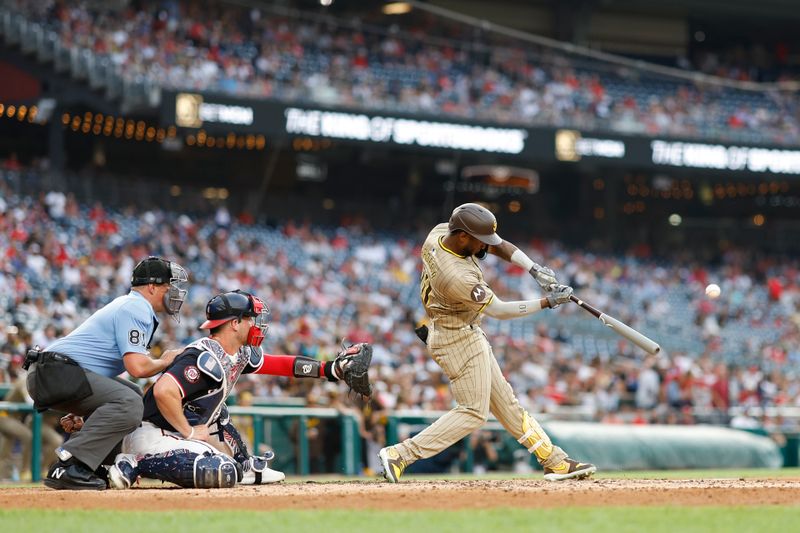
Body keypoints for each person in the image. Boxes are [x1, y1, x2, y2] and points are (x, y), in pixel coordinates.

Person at [379, 203, 596, 482]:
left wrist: (533, 269)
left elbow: (498, 245)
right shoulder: (455, 275)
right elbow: (500, 311)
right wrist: (548, 302)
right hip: (456, 337)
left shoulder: (441, 232)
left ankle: (554, 461)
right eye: (480, 240)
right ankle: (401, 454)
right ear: (463, 237)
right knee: (473, 412)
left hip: (460, 331)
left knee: (507, 405)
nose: (487, 246)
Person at [104, 289, 372, 489]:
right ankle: (134, 463)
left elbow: (278, 364)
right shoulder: (203, 356)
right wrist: (187, 431)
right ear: (234, 323)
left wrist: (329, 370)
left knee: (219, 413)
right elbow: (164, 391)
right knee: (221, 471)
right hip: (152, 436)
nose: (256, 324)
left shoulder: (236, 353)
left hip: (175, 433)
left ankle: (246, 465)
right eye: (250, 319)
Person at [25, 256, 189, 490]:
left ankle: (93, 466)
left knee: (130, 393)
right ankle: (70, 464)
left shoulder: (132, 305)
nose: (173, 292)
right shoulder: (136, 306)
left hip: (58, 372)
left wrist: (89, 414)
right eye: (168, 286)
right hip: (56, 372)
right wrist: (164, 361)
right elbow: (137, 367)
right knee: (130, 403)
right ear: (152, 286)